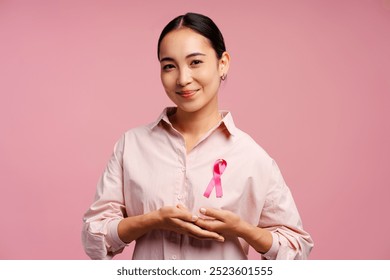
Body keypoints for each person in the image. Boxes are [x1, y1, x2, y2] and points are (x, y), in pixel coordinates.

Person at [82, 12, 313, 260]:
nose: (183, 79)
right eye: (169, 66)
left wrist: (243, 229)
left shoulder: (252, 157)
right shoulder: (132, 145)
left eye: (195, 62)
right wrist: (152, 221)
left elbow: (297, 249)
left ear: (222, 63)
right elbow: (94, 237)